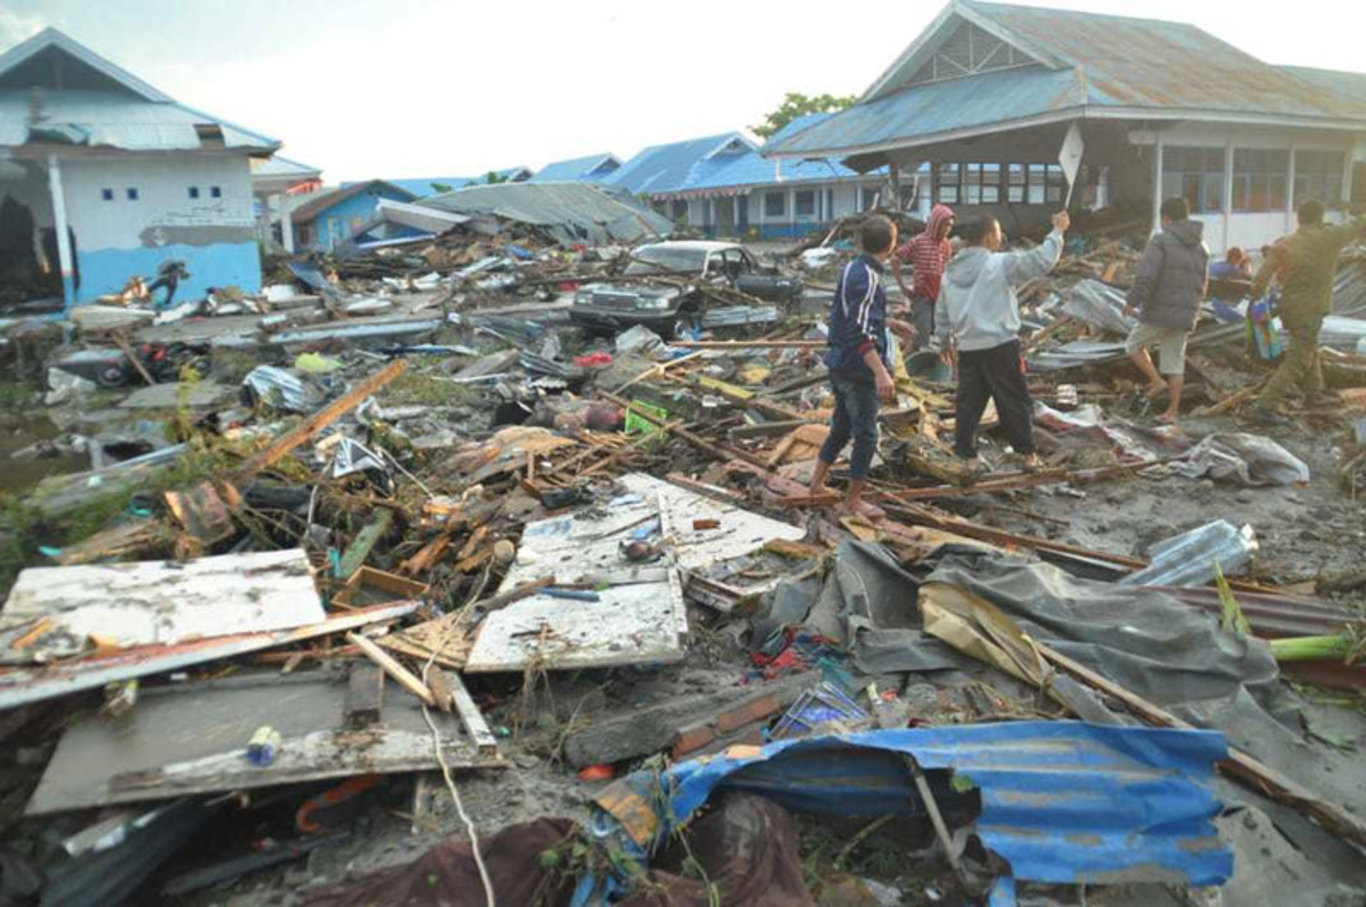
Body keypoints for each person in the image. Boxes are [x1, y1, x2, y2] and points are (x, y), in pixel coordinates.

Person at [934, 211, 1070, 474]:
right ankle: (1027, 456)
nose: (1000, 239)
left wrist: (943, 342)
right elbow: (1041, 261)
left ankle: (967, 457)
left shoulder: (950, 271)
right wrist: (1057, 232)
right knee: (1013, 400)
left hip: (968, 346)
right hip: (1000, 345)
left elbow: (941, 311)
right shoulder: (999, 264)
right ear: (987, 237)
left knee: (968, 403)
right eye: (997, 234)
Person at [810, 215, 917, 508]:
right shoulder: (868, 278)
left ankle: (816, 484)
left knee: (841, 429)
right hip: (857, 370)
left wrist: (889, 322)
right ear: (891, 245)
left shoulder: (852, 269)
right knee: (867, 436)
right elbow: (859, 332)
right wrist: (881, 373)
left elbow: (849, 316)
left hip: (840, 363)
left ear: (861, 242)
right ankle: (853, 501)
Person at [1250, 200, 1366, 420]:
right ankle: (1266, 404)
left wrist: (1256, 297)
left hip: (1288, 308)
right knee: (1298, 359)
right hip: (1311, 309)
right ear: (1321, 218)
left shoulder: (1286, 243)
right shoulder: (1330, 237)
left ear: (1299, 218)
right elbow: (1359, 224)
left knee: (1308, 347)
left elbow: (1261, 278)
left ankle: (1315, 393)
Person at [1121, 196, 1210, 425]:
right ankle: (1172, 413)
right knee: (1174, 362)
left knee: (1132, 345)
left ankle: (1157, 381)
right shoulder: (1202, 246)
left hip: (1160, 310)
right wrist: (1194, 308)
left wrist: (1132, 301)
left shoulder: (1161, 241)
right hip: (1186, 313)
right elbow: (1205, 282)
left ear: (1166, 218)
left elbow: (1147, 276)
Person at [891, 203, 955, 351]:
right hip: (922, 295)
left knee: (943, 333)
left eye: (950, 226)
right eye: (945, 225)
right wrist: (902, 286)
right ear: (935, 224)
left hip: (939, 295)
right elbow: (896, 259)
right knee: (921, 334)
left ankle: (940, 361)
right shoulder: (919, 241)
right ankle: (918, 360)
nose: (948, 229)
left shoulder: (946, 245)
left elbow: (947, 270)